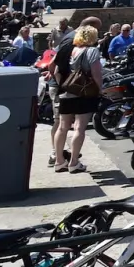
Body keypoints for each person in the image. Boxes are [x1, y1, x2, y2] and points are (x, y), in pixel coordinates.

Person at [53, 25, 104, 174]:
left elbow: (56, 71)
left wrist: (63, 85)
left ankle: (59, 161)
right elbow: (96, 72)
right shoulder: (92, 51)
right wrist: (100, 89)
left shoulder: (71, 50)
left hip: (66, 92)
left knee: (62, 127)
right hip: (84, 93)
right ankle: (74, 162)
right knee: (79, 128)